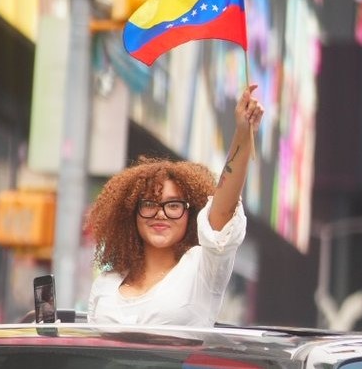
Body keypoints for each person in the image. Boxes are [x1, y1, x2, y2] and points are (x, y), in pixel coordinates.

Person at [86, 84, 264, 326]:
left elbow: (223, 209)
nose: (160, 214)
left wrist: (242, 134)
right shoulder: (106, 282)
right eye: (149, 204)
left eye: (173, 206)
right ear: (132, 214)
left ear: (190, 215)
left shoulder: (202, 269)